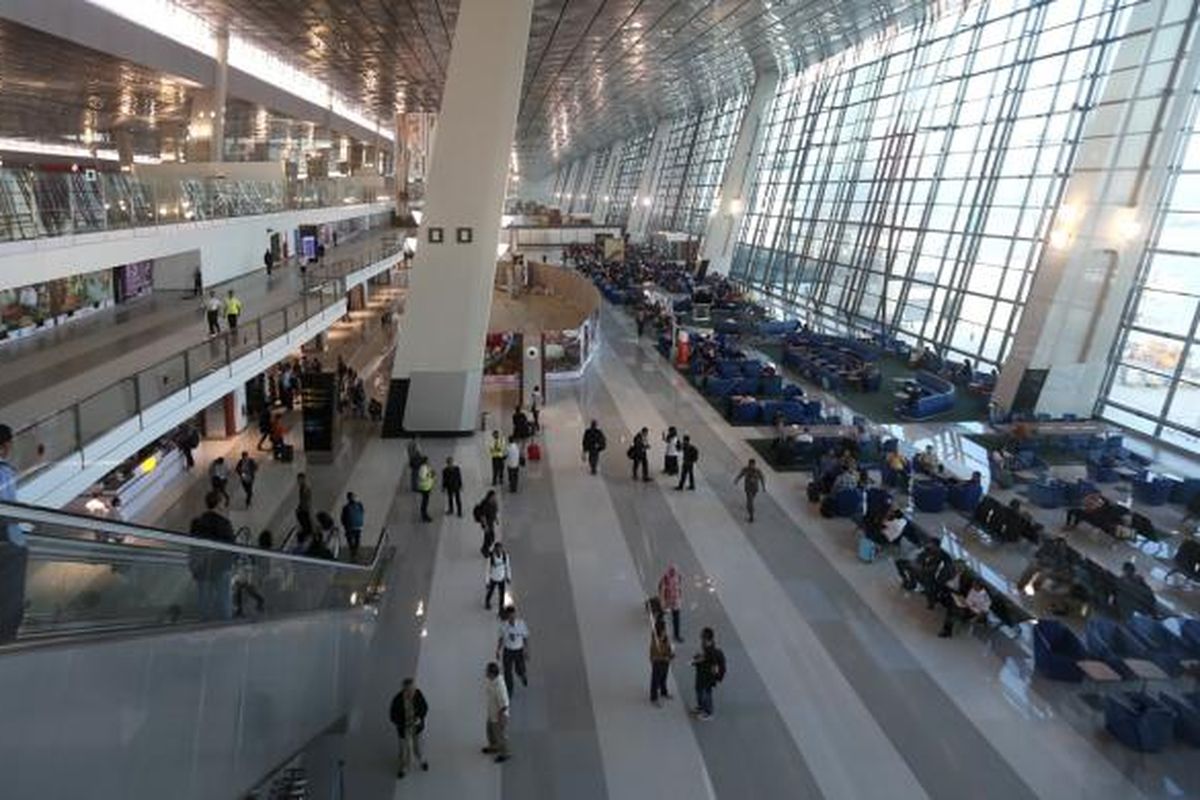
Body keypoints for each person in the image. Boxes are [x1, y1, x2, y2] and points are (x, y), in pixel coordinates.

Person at [188, 491, 237, 620]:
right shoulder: (224, 523)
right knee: (224, 601)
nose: (225, 505)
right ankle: (225, 629)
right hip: (221, 568)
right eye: (224, 502)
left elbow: (193, 546)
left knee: (203, 602)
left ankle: (203, 630)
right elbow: (232, 547)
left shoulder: (197, 522)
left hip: (201, 568)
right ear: (219, 504)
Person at [0, 424, 28, 643]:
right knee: (10, 595)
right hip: (7, 541)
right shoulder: (4, 472)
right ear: (5, 445)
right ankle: (7, 637)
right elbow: (8, 508)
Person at [895, 537, 954, 608]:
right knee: (900, 563)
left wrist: (921, 568)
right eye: (929, 544)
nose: (928, 546)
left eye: (931, 545)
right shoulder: (928, 549)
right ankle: (908, 581)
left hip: (932, 576)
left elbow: (936, 569)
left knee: (925, 580)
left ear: (936, 546)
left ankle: (931, 602)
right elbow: (920, 556)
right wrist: (916, 563)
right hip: (922, 569)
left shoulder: (942, 557)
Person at [390, 678, 429, 778]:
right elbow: (393, 716)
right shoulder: (397, 700)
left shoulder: (418, 694)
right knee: (404, 750)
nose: (412, 692)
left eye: (413, 689)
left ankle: (422, 760)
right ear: (404, 690)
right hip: (404, 730)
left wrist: (419, 718)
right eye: (409, 690)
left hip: (417, 728)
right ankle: (404, 767)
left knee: (419, 746)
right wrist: (403, 723)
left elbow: (424, 707)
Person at [690, 627, 726, 721]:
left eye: (702, 635)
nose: (700, 637)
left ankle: (708, 712)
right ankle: (701, 707)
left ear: (706, 638)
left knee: (706, 693)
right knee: (699, 690)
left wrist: (714, 678)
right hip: (701, 673)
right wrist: (698, 658)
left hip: (707, 677)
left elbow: (713, 666)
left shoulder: (712, 651)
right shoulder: (705, 646)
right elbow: (704, 657)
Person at [497, 605, 530, 695]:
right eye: (510, 616)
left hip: (518, 650)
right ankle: (509, 689)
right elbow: (501, 638)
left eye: (513, 615)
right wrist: (498, 650)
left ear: (515, 614)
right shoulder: (503, 626)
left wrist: (526, 650)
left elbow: (525, 637)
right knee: (507, 671)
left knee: (519, 668)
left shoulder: (521, 624)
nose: (512, 618)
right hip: (508, 651)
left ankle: (522, 674)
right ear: (507, 616)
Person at [483, 662, 510, 763]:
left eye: (487, 671)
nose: (485, 672)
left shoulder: (499, 687)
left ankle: (505, 753)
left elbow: (504, 705)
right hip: (492, 713)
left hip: (498, 716)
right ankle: (494, 746)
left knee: (500, 735)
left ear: (492, 674)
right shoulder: (492, 681)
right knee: (490, 731)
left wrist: (500, 719)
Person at [649, 616, 675, 706]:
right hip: (658, 662)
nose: (666, 631)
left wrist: (671, 652)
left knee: (664, 677)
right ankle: (654, 697)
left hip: (665, 660)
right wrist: (665, 657)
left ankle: (664, 692)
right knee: (655, 679)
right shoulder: (655, 641)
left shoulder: (665, 637)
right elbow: (654, 655)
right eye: (664, 629)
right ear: (660, 630)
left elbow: (668, 646)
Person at [734, 458, 766, 522]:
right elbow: (741, 474)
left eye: (753, 464)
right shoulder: (746, 469)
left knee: (751, 500)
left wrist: (763, 487)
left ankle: (749, 507)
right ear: (748, 464)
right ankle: (751, 516)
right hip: (748, 488)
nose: (751, 466)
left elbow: (762, 479)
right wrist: (737, 480)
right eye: (750, 464)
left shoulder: (758, 471)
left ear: (754, 464)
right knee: (750, 501)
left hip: (755, 489)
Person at [658, 565, 684, 642]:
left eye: (674, 570)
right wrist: (662, 600)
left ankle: (676, 635)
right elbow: (661, 588)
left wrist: (679, 597)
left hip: (675, 601)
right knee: (662, 616)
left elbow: (679, 587)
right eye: (671, 570)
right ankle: (660, 633)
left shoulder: (678, 576)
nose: (673, 572)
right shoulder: (665, 577)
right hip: (668, 601)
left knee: (676, 618)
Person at [485, 543, 511, 614]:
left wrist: (508, 577)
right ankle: (487, 601)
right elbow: (487, 570)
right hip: (493, 578)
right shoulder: (491, 558)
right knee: (491, 591)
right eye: (497, 548)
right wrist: (487, 581)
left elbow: (507, 567)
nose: (499, 550)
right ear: (495, 549)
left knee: (502, 594)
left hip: (501, 578)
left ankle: (501, 608)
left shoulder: (505, 556)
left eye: (500, 548)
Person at [474, 490, 499, 556]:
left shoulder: (494, 503)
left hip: (490, 523)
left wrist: (496, 520)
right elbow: (483, 516)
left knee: (491, 537)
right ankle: (485, 550)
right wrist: (485, 525)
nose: (495, 498)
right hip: (486, 523)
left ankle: (485, 549)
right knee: (488, 537)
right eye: (493, 497)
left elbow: (494, 512)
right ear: (489, 497)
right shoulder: (486, 504)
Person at [340, 492, 365, 560]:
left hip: (349, 526)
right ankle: (355, 551)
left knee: (350, 539)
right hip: (358, 525)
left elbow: (343, 518)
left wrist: (344, 524)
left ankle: (352, 551)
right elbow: (362, 512)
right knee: (357, 538)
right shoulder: (359, 505)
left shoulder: (346, 507)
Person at [295, 473, 314, 542]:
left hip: (304, 510)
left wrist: (300, 508)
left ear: (303, 479)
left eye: (299, 479)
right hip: (304, 510)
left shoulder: (305, 488)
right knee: (307, 527)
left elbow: (305, 500)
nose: (298, 481)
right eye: (298, 480)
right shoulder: (303, 487)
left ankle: (305, 540)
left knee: (306, 528)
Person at [417, 458, 435, 522]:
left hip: (427, 487)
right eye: (428, 461)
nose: (429, 461)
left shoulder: (426, 467)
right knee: (425, 502)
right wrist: (430, 475)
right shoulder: (423, 468)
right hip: (424, 488)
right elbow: (422, 477)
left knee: (425, 502)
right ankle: (424, 516)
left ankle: (424, 514)